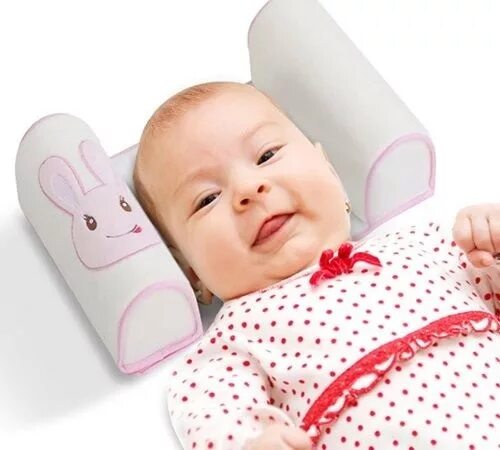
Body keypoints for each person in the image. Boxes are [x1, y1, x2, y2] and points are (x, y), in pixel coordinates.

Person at [133, 81, 500, 449]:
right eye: (207, 198)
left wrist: (492, 243)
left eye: (266, 155)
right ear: (192, 273)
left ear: (331, 172)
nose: (248, 189)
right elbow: (214, 413)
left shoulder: (427, 243)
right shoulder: (234, 339)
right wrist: (252, 443)